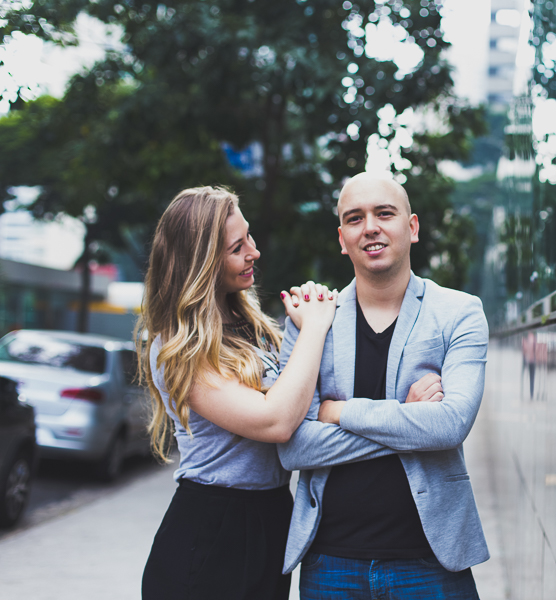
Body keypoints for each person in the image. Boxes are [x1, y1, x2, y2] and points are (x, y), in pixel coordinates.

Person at [277, 172, 490, 599]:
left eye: (384, 214)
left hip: (430, 562)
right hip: (330, 563)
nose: (370, 227)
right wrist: (409, 418)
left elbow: (450, 426)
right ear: (342, 238)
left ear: (412, 227)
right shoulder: (310, 321)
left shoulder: (460, 313)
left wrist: (339, 412)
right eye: (355, 218)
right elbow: (295, 448)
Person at [137, 186, 337, 600]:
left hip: (270, 517)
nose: (254, 252)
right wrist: (315, 326)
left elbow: (305, 399)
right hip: (212, 529)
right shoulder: (178, 346)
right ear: (201, 262)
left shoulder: (254, 326)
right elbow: (275, 420)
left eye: (249, 237)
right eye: (237, 247)